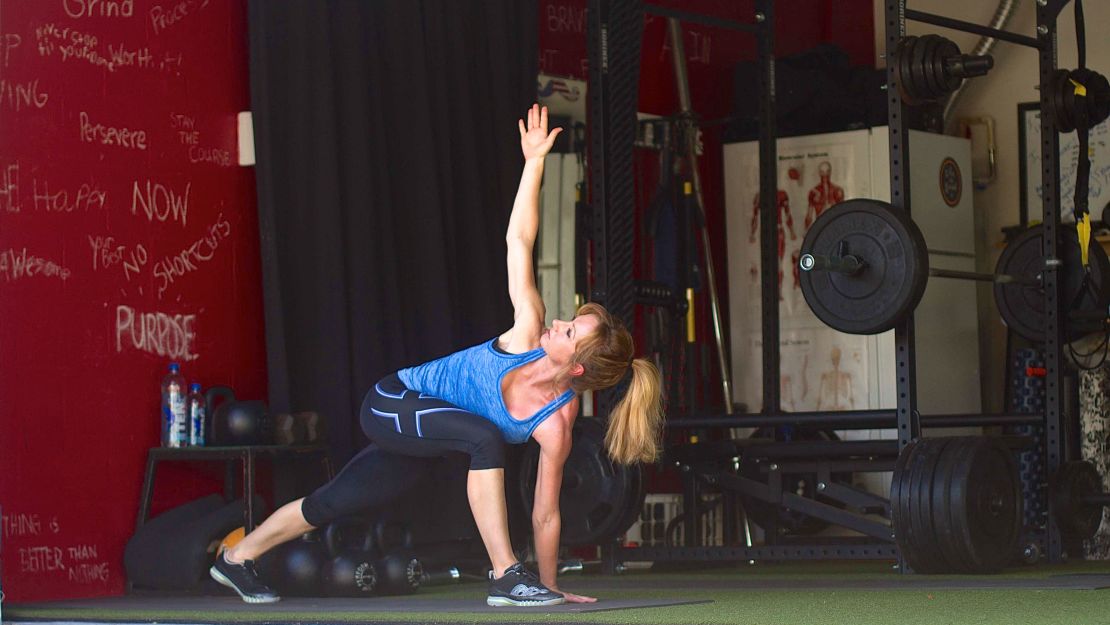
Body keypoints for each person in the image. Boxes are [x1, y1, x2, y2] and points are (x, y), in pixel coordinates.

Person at [209, 104, 663, 607]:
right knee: (485, 438)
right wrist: (534, 161)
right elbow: (519, 240)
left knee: (332, 502)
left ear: (577, 367)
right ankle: (506, 575)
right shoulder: (527, 331)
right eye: (570, 318)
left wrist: (552, 585)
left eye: (571, 329)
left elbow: (546, 512)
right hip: (393, 399)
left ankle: (236, 559)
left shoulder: (556, 423)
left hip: (421, 441)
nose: (559, 322)